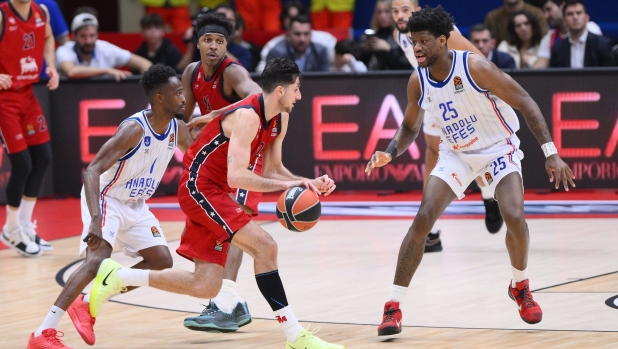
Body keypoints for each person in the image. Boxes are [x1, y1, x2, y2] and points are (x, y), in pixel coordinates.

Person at [86, 57, 344, 349]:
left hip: (215, 189)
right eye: (296, 89)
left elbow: (272, 168)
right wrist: (288, 185)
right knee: (266, 246)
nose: (300, 96)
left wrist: (306, 181)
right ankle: (296, 336)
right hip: (200, 186)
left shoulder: (280, 117)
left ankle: (118, 275)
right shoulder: (249, 116)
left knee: (206, 284)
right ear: (281, 91)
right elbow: (237, 177)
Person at [366, 5, 575, 336]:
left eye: (422, 41)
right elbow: (408, 128)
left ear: (442, 40)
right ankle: (393, 306)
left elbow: (527, 103)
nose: (416, 48)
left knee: (514, 216)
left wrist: (551, 153)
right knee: (423, 218)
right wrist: (389, 153)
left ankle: (520, 286)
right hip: (457, 154)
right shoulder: (417, 80)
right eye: (412, 42)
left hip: (497, 150)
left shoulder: (475, 67)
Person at [26, 64, 194, 348]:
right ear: (160, 99)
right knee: (96, 261)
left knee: (161, 260)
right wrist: (95, 219)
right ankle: (42, 333)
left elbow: (198, 152)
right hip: (107, 197)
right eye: (177, 93)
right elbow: (91, 171)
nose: (183, 98)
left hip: (136, 204)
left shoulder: (177, 128)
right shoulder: (133, 129)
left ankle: (89, 302)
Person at [391, 0, 505, 253]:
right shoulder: (398, 35)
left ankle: (488, 196)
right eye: (394, 10)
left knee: (469, 153)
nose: (399, 15)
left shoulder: (443, 33)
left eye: (404, 10)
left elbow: (479, 59)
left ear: (417, 10)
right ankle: (430, 233)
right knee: (432, 154)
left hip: (464, 93)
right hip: (436, 94)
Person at [179, 11, 262, 333]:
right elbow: (182, 121)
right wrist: (192, 150)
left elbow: (258, 98)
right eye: (208, 40)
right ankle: (234, 302)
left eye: (220, 41)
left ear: (227, 45)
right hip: (215, 160)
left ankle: (225, 303)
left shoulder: (233, 72)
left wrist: (216, 112)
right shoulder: (190, 72)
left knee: (236, 224)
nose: (214, 46)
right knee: (218, 228)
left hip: (247, 153)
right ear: (197, 43)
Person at [0, 0, 58, 257]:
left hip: (28, 96)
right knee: (22, 163)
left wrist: (51, 66)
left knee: (43, 158)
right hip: (4, 99)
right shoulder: (2, 14)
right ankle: (10, 229)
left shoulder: (41, 11)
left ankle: (24, 225)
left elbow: (48, 38)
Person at [56, 13, 152, 80]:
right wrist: (107, 71)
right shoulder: (64, 50)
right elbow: (71, 71)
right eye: (83, 36)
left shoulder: (105, 48)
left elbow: (145, 64)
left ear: (97, 35)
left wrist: (145, 89)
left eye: (92, 35)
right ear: (74, 36)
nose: (88, 41)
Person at [255, 1, 336, 73]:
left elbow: (327, 75)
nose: (302, 39)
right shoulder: (274, 48)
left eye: (306, 34)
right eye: (297, 34)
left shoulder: (324, 43)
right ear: (288, 34)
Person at [533, 0, 601, 68]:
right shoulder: (549, 38)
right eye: (544, 12)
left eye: (549, 9)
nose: (546, 16)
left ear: (563, 6)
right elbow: (538, 69)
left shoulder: (590, 28)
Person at [549, 0, 615, 68]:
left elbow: (608, 75)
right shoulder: (558, 49)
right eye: (570, 14)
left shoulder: (603, 44)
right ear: (564, 20)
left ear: (587, 18)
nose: (575, 17)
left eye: (579, 13)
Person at [360, 0, 411, 71]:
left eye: (387, 11)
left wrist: (388, 49)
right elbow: (361, 65)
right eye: (379, 12)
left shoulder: (404, 36)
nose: (382, 16)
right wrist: (365, 51)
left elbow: (406, 64)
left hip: (395, 79)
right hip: (372, 78)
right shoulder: (369, 35)